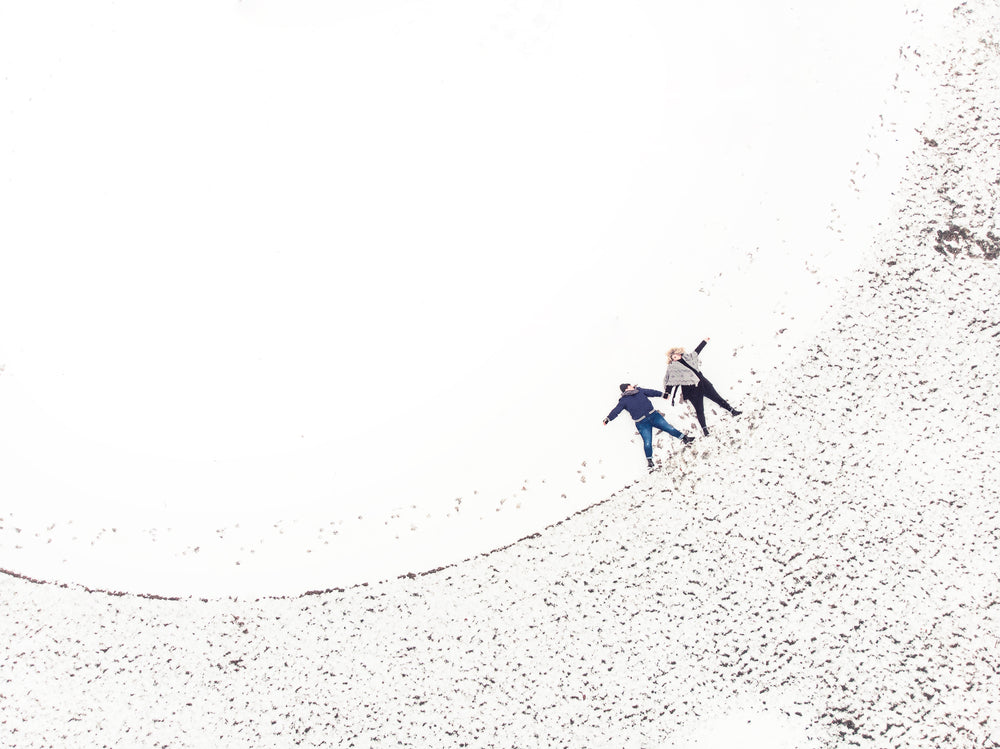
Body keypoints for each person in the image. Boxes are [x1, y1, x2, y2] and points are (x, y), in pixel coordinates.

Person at [603, 383, 694, 472]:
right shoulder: (623, 401)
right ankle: (650, 462)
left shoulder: (639, 391)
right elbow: (616, 410)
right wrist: (608, 418)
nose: (632, 386)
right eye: (630, 385)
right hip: (642, 423)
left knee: (669, 428)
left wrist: (662, 395)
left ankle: (685, 438)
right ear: (627, 388)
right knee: (647, 441)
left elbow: (651, 392)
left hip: (654, 416)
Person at [663, 337, 742, 436]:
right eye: (673, 357)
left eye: (676, 355)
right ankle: (705, 430)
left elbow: (697, 351)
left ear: (679, 353)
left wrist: (704, 341)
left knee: (717, 398)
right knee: (699, 409)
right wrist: (667, 393)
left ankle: (733, 411)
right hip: (691, 389)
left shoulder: (689, 358)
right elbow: (670, 381)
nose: (675, 358)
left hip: (703, 383)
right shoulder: (673, 368)